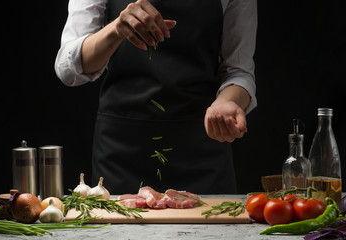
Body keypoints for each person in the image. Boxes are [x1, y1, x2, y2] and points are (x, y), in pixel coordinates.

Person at [55, 0, 257, 194]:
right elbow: (68, 68)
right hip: (122, 149)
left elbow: (238, 71)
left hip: (201, 143)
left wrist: (226, 102)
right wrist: (116, 29)